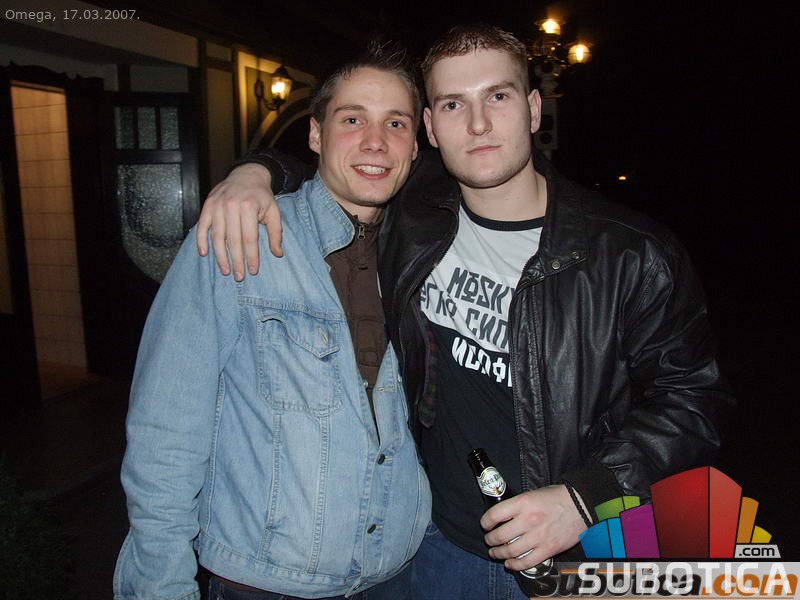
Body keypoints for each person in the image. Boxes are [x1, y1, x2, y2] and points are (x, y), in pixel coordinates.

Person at [196, 24, 734, 599]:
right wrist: (254, 173)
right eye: (454, 104)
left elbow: (696, 402)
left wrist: (584, 497)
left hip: (576, 556)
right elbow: (345, 163)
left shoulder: (630, 254)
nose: (478, 124)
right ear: (431, 127)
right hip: (430, 545)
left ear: (533, 109)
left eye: (497, 96)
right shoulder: (416, 209)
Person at [114, 43, 431, 600]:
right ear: (315, 135)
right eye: (352, 119)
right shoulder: (242, 236)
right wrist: (160, 585)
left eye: (395, 123)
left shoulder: (423, 251)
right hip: (265, 583)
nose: (376, 141)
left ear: (416, 145)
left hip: (396, 573)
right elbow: (165, 432)